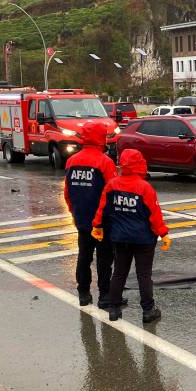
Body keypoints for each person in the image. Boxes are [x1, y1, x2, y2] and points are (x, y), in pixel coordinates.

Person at [92, 149, 170, 323]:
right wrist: (163, 233)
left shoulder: (112, 185)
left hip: (119, 238)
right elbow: (154, 215)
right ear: (140, 164)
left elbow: (102, 209)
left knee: (119, 272)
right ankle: (148, 310)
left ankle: (114, 308)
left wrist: (97, 226)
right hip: (143, 239)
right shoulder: (144, 187)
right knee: (144, 275)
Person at [64, 120, 118, 308]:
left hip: (82, 218)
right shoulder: (105, 162)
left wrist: (73, 211)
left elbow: (67, 192)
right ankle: (104, 296)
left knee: (84, 256)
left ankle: (84, 293)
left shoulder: (72, 161)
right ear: (101, 138)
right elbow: (112, 192)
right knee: (104, 259)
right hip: (102, 221)